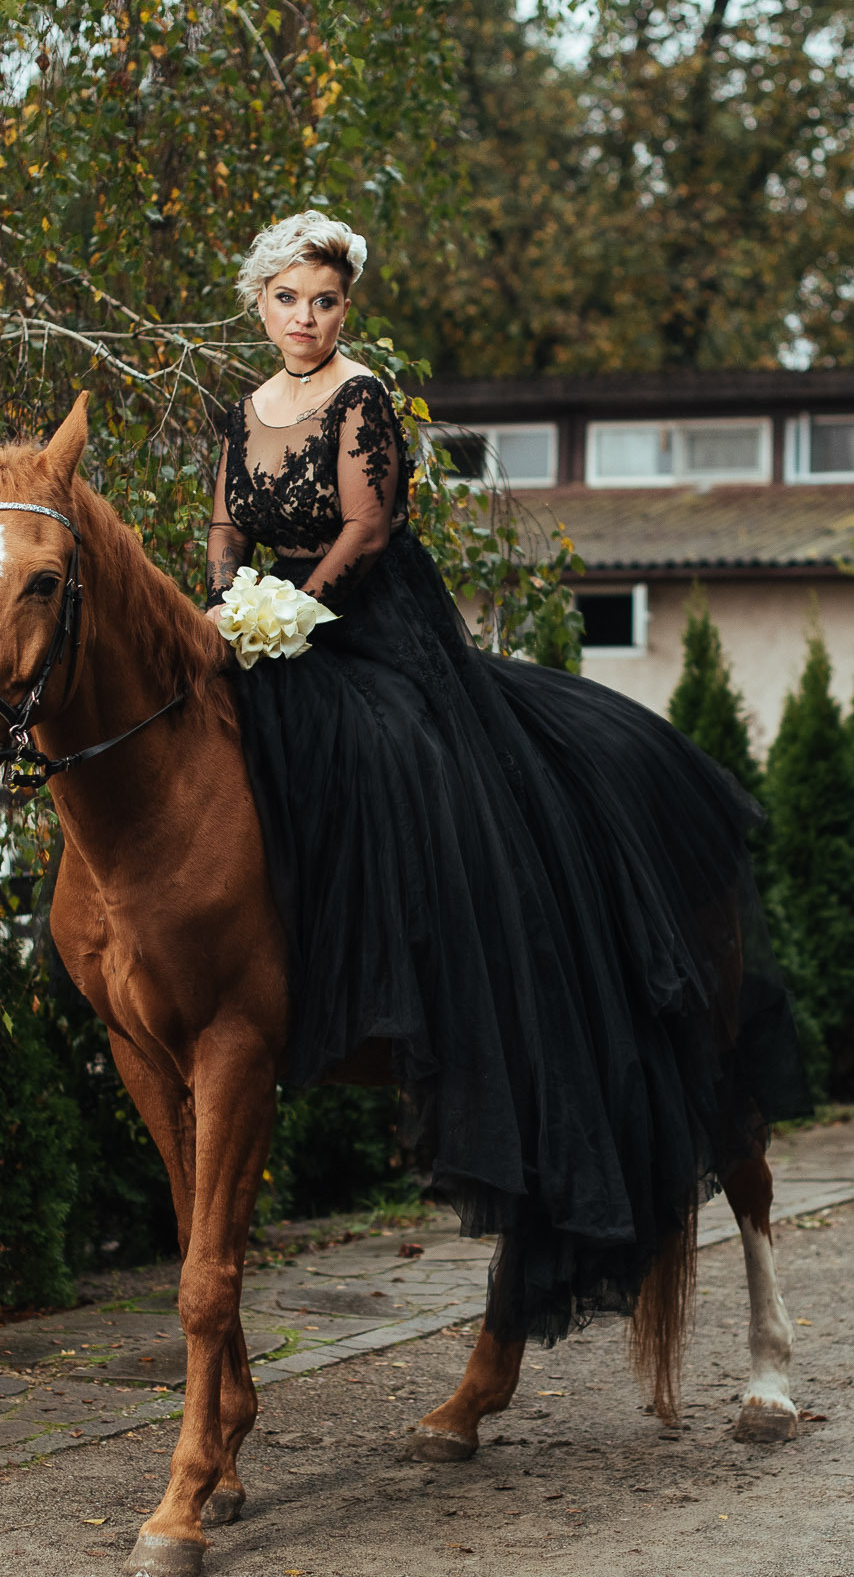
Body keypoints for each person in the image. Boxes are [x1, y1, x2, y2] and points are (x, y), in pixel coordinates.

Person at [208, 210, 806, 1345]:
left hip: (374, 626)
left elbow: (372, 525)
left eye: (323, 300)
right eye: (287, 298)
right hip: (266, 628)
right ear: (259, 302)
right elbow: (227, 521)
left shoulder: (359, 395)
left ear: (346, 309)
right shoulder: (245, 408)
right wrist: (232, 596)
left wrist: (295, 604)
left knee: (397, 753)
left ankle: (422, 964)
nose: (304, 317)